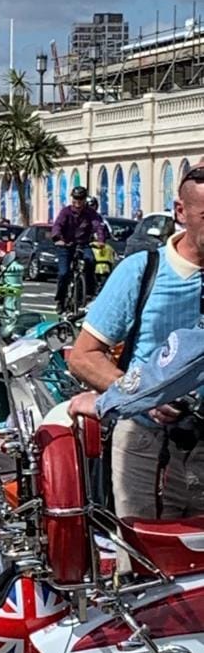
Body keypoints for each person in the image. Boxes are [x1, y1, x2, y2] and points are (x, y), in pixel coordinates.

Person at [68, 162, 204, 522]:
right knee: (145, 562)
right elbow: (83, 355)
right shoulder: (142, 271)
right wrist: (138, 395)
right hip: (147, 444)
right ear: (181, 212)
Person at [51, 185, 105, 311]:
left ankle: (89, 294)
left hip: (83, 244)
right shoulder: (66, 212)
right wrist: (57, 239)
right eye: (75, 198)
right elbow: (57, 225)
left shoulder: (90, 213)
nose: (78, 201)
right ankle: (60, 299)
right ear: (72, 199)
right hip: (66, 245)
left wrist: (101, 240)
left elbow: (98, 226)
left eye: (81, 198)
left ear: (85, 199)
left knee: (90, 260)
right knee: (64, 273)